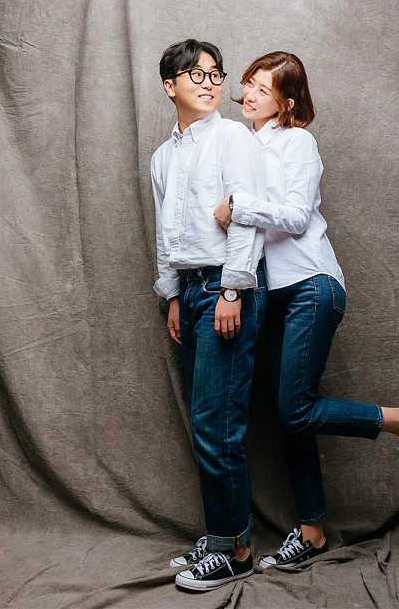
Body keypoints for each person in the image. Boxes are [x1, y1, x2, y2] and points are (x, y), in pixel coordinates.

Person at [213, 51, 399, 569]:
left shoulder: (298, 143)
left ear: (287, 103)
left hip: (311, 285)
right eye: (248, 83)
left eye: (264, 89)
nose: (250, 95)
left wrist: (238, 207)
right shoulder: (241, 145)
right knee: (292, 417)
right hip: (271, 293)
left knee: (295, 409)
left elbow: (295, 215)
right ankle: (312, 533)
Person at [151, 39, 267, 591]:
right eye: (195, 74)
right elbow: (166, 233)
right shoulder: (162, 156)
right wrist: (173, 295)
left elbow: (247, 216)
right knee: (207, 421)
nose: (209, 82)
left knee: (218, 422)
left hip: (226, 285)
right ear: (170, 86)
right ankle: (222, 534)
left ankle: (234, 550)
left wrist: (232, 290)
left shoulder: (233, 137)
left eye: (216, 74)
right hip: (192, 290)